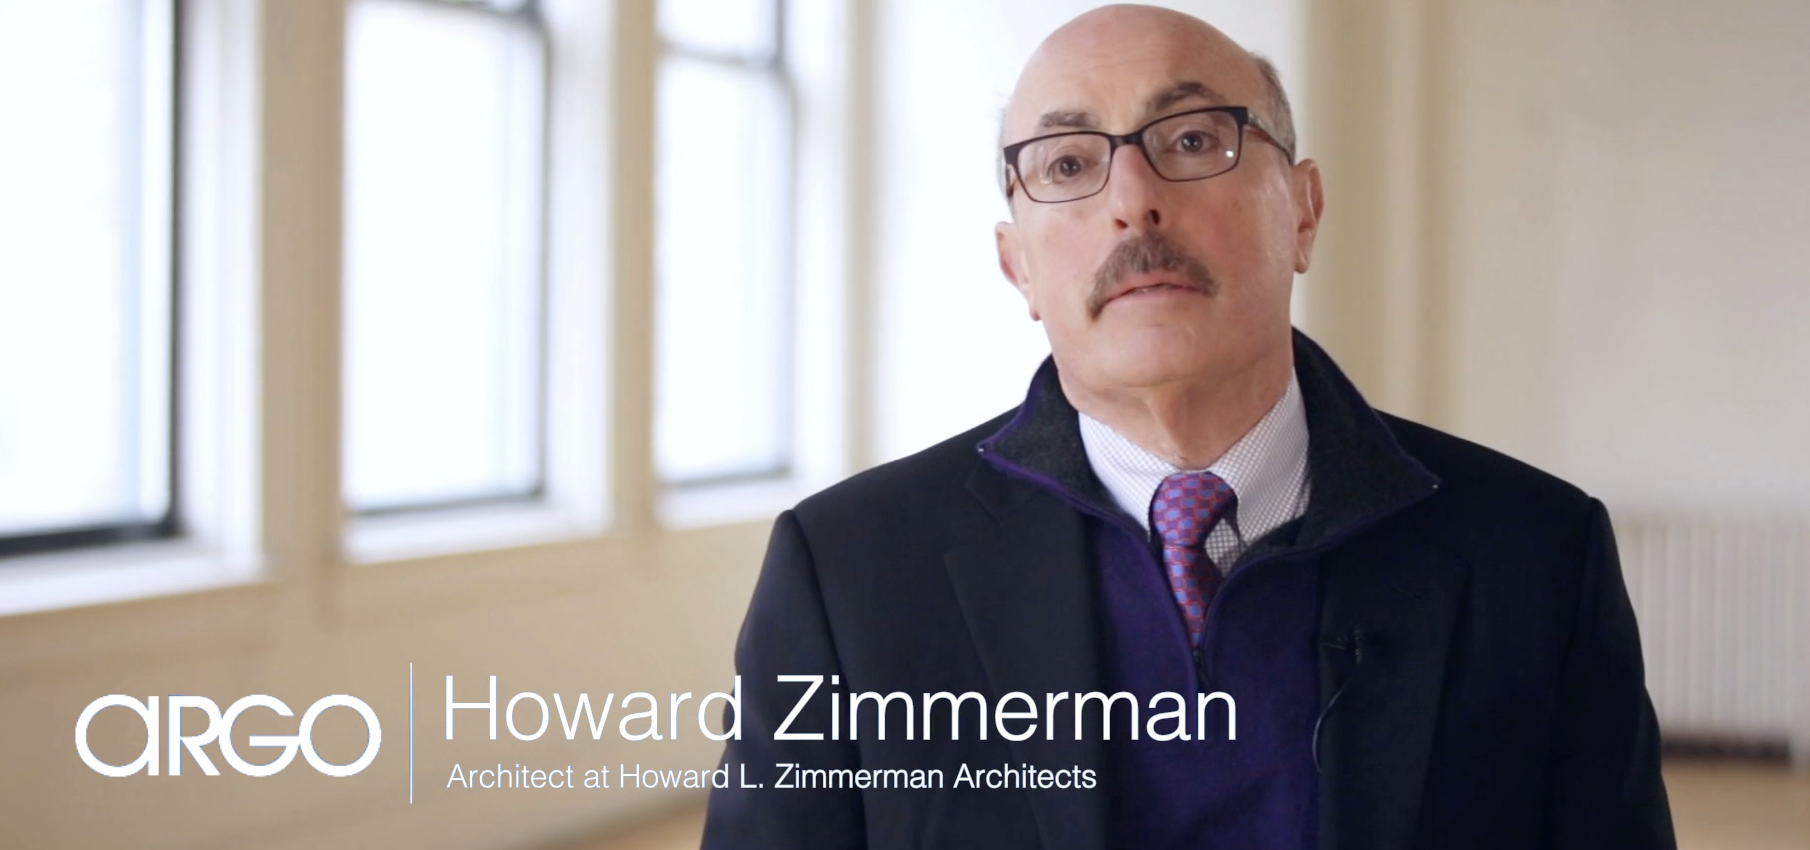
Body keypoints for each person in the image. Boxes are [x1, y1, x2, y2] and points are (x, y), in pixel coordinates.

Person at [701, 5, 1675, 848]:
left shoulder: (1537, 554)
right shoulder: (849, 573)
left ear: (1303, 211)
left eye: (1195, 140)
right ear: (1018, 267)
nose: (1134, 202)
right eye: (1069, 162)